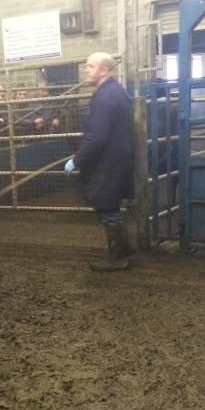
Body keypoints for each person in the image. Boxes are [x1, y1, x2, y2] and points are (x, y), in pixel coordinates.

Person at [64, 53, 134, 271]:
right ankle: (123, 249)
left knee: (107, 207)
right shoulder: (115, 91)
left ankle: (118, 258)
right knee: (110, 206)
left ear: (104, 70)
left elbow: (98, 136)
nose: (86, 69)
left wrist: (77, 159)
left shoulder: (105, 96)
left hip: (107, 162)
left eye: (91, 66)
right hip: (116, 158)